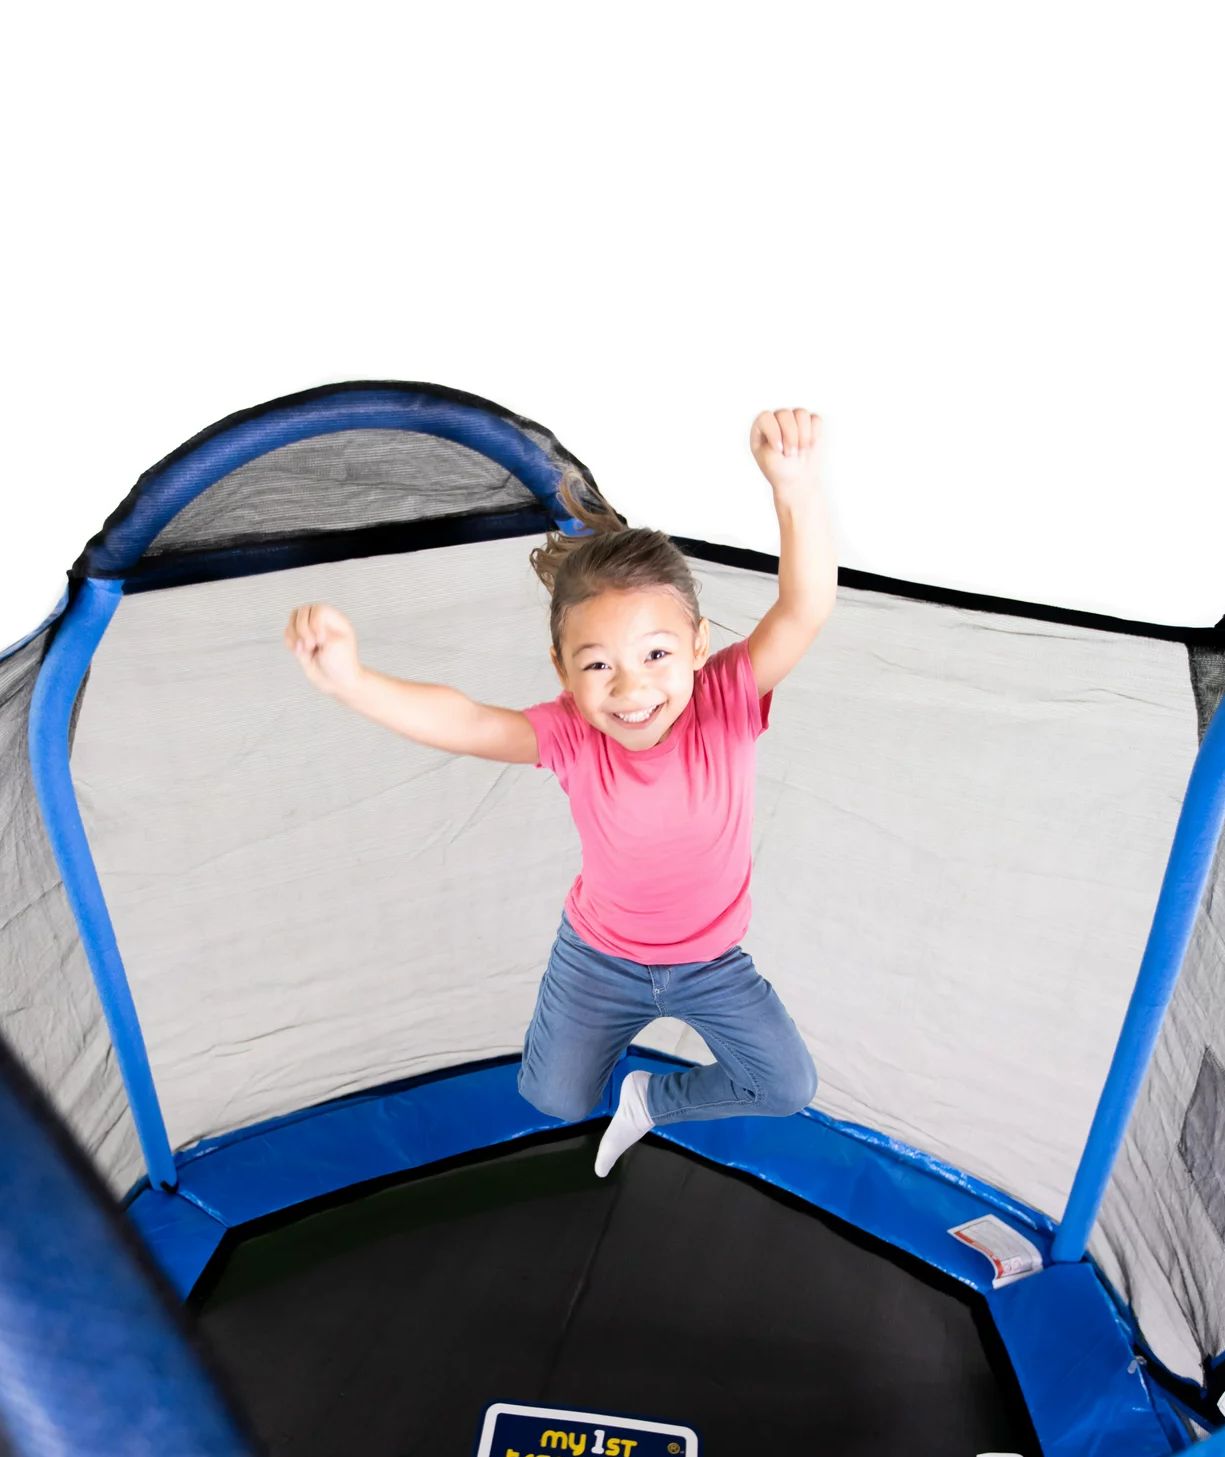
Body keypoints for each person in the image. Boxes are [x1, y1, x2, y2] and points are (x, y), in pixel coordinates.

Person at [284, 408, 838, 1177]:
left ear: (699, 646)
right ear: (562, 671)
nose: (632, 690)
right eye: (599, 665)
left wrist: (794, 486)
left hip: (711, 960)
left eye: (655, 655)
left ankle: (652, 1101)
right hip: (600, 958)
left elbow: (804, 606)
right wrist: (354, 681)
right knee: (554, 1096)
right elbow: (467, 722)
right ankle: (590, 1070)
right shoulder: (574, 734)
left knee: (787, 1085)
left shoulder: (726, 698)